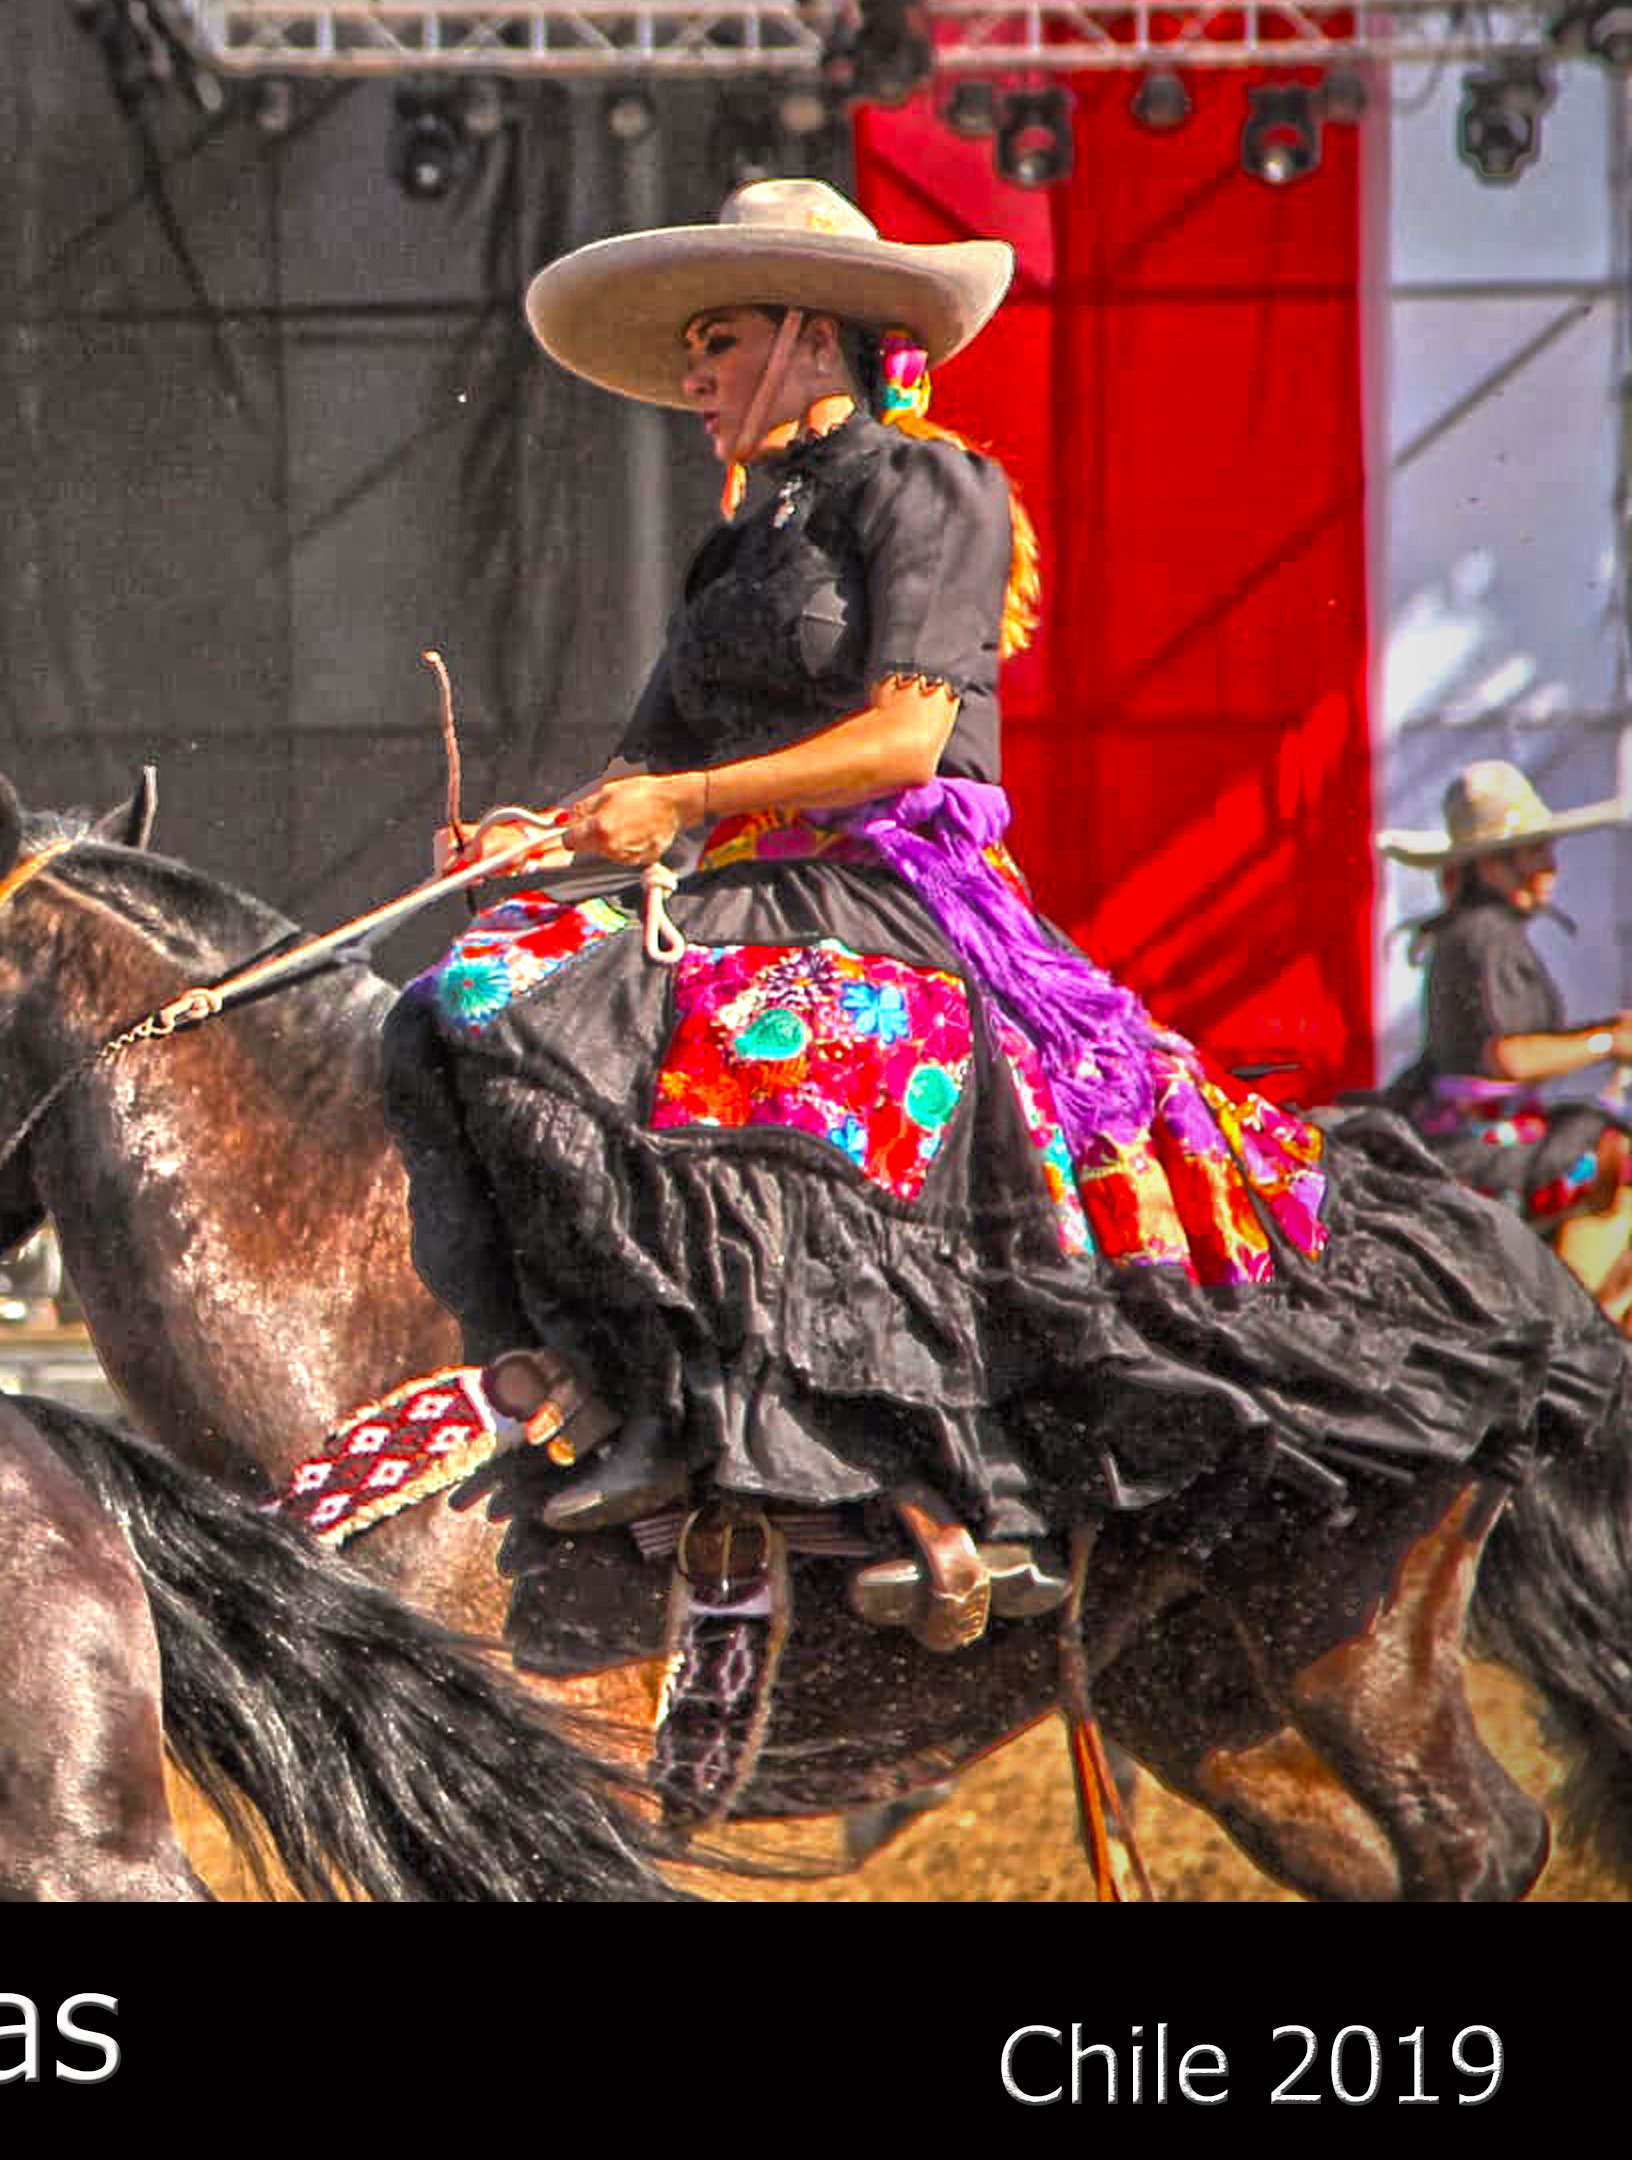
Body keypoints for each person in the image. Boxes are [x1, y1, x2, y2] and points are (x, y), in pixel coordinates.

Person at [385, 179, 1625, 1654]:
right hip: (733, 890)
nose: (695, 379)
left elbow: (908, 738)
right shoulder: (736, 549)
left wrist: (687, 800)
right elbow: (644, 774)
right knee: (454, 1005)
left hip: (883, 893)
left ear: (808, 332)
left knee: (736, 1049)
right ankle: (590, 1388)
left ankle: (902, 1467)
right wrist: (551, 830)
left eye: (717, 341)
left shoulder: (936, 492)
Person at [1377, 762, 1632, 1232]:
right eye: (1535, 850)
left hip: (1484, 1141)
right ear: (1492, 864)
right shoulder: (1484, 937)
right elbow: (1507, 1056)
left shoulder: (1476, 933)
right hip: (1482, 1153)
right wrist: (1607, 1043)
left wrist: (1607, 1030)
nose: (1551, 866)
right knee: (1619, 1162)